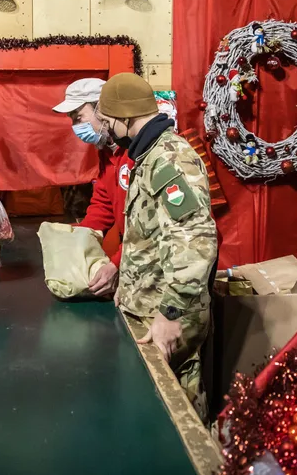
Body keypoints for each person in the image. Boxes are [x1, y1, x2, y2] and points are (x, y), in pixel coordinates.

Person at [95, 72, 218, 419]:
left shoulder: (169, 159)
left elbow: (195, 241)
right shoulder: (148, 154)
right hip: (150, 304)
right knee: (155, 410)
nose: (107, 128)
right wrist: (130, 285)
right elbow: (150, 235)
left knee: (179, 411)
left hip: (168, 312)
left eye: (107, 120)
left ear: (125, 117)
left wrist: (171, 312)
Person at [52, 78, 132, 298]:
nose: (76, 127)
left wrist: (116, 263)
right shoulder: (107, 152)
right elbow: (104, 202)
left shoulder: (140, 152)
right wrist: (78, 239)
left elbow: (153, 226)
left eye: (79, 118)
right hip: (134, 258)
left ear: (102, 109)